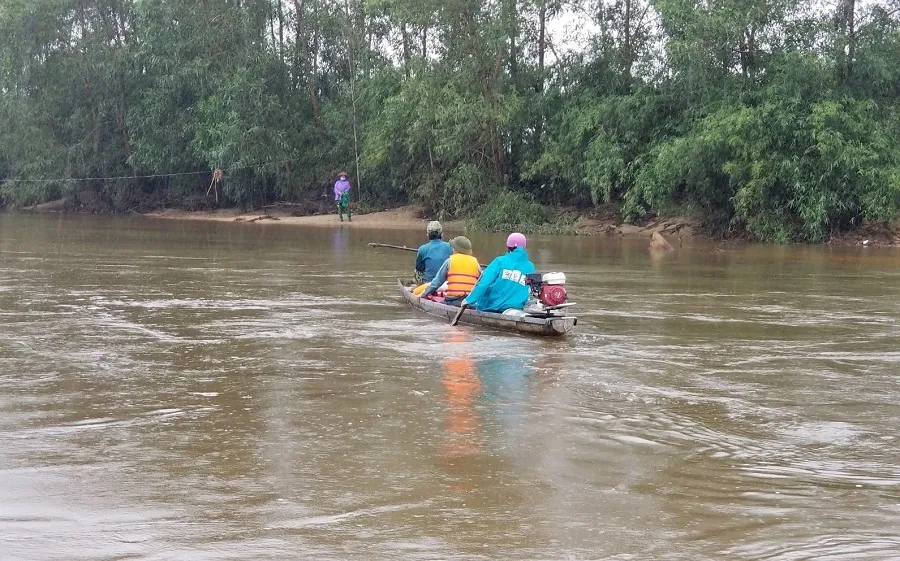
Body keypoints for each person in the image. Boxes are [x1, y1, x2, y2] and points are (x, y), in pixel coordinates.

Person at [461, 232, 535, 313]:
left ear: (508, 246)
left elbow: (484, 283)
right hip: (517, 308)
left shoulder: (499, 261)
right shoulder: (531, 267)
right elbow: (530, 291)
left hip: (494, 307)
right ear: (524, 247)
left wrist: (469, 300)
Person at [420, 236, 481, 306]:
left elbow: (436, 283)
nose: (452, 250)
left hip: (453, 301)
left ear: (457, 250)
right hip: (469, 302)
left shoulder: (449, 261)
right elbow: (482, 283)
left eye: (453, 248)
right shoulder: (476, 263)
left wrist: (422, 295)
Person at [413, 221, 452, 285]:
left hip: (429, 283)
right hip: (446, 283)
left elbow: (419, 268)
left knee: (416, 272)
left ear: (428, 234)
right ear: (441, 234)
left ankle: (419, 286)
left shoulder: (422, 249)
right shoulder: (450, 247)